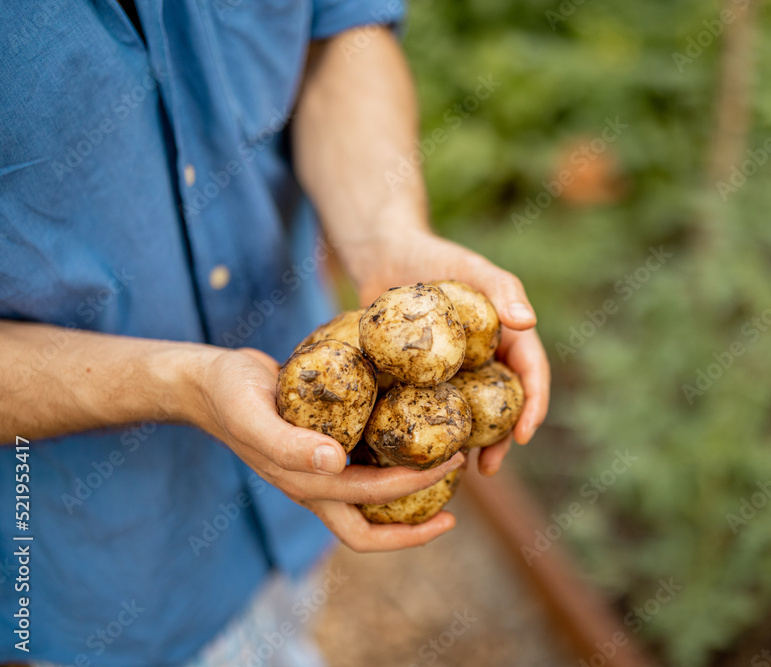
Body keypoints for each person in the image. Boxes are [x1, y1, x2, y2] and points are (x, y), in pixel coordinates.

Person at [0, 1, 550, 665]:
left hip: (294, 500)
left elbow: (336, 29)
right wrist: (184, 383)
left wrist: (386, 235)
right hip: (88, 572)